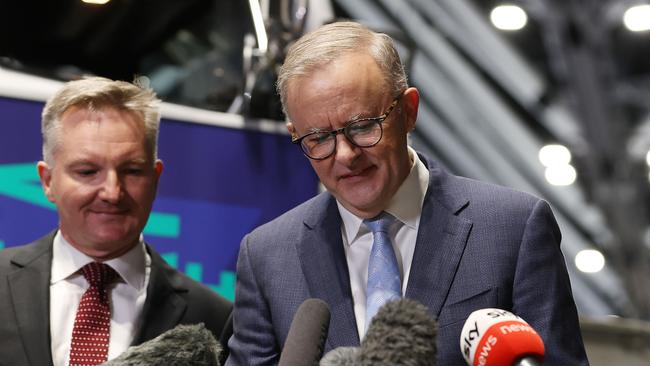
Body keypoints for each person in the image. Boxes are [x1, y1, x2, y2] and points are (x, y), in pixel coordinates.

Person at [225, 21, 589, 365]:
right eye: (319, 138)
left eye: (363, 126)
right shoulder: (266, 257)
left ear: (409, 111)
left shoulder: (512, 228)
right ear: (296, 133)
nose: (346, 155)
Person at [0, 77, 232, 366]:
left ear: (156, 178)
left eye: (132, 171)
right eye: (87, 171)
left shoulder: (215, 318)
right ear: (47, 181)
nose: (112, 192)